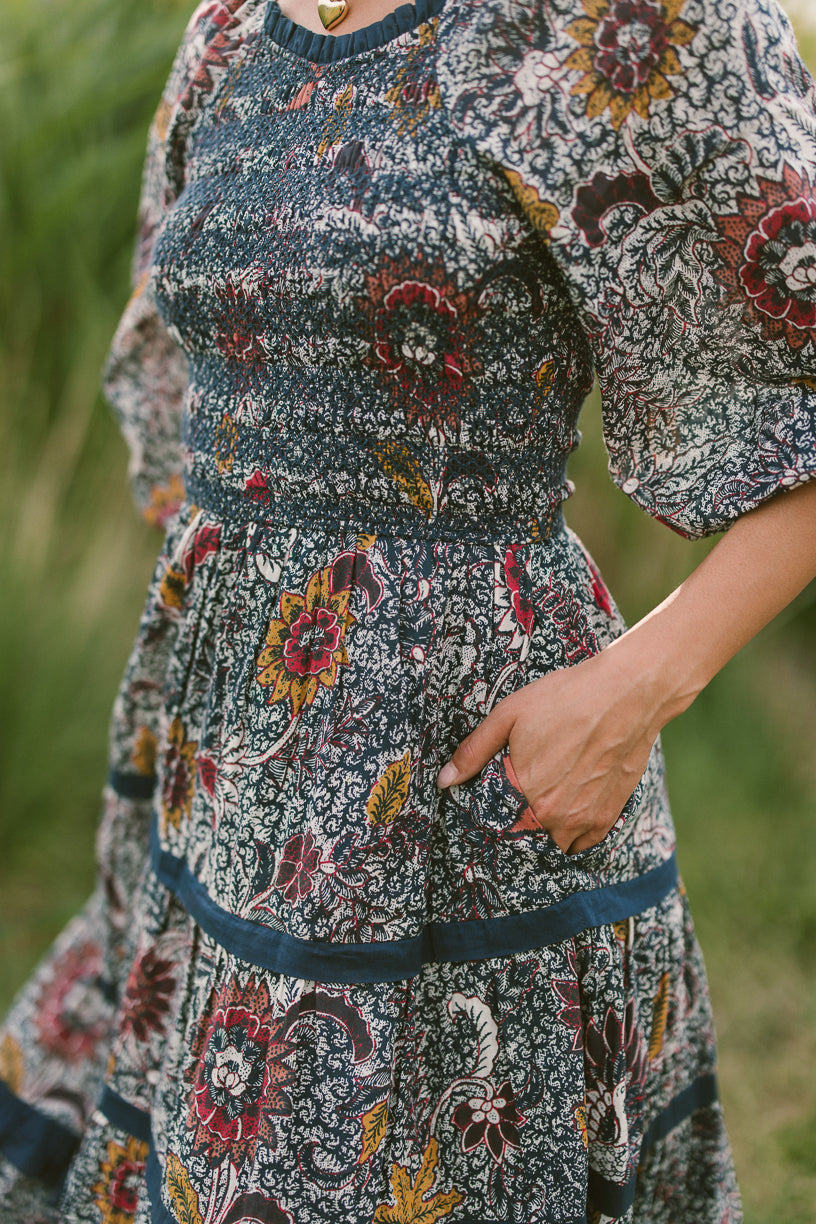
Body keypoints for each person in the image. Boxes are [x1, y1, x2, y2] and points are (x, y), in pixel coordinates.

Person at [1, 0, 815, 1219]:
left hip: (459, 806)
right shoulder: (226, 32)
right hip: (217, 790)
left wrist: (637, 688)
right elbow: (187, 413)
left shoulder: (616, 25)